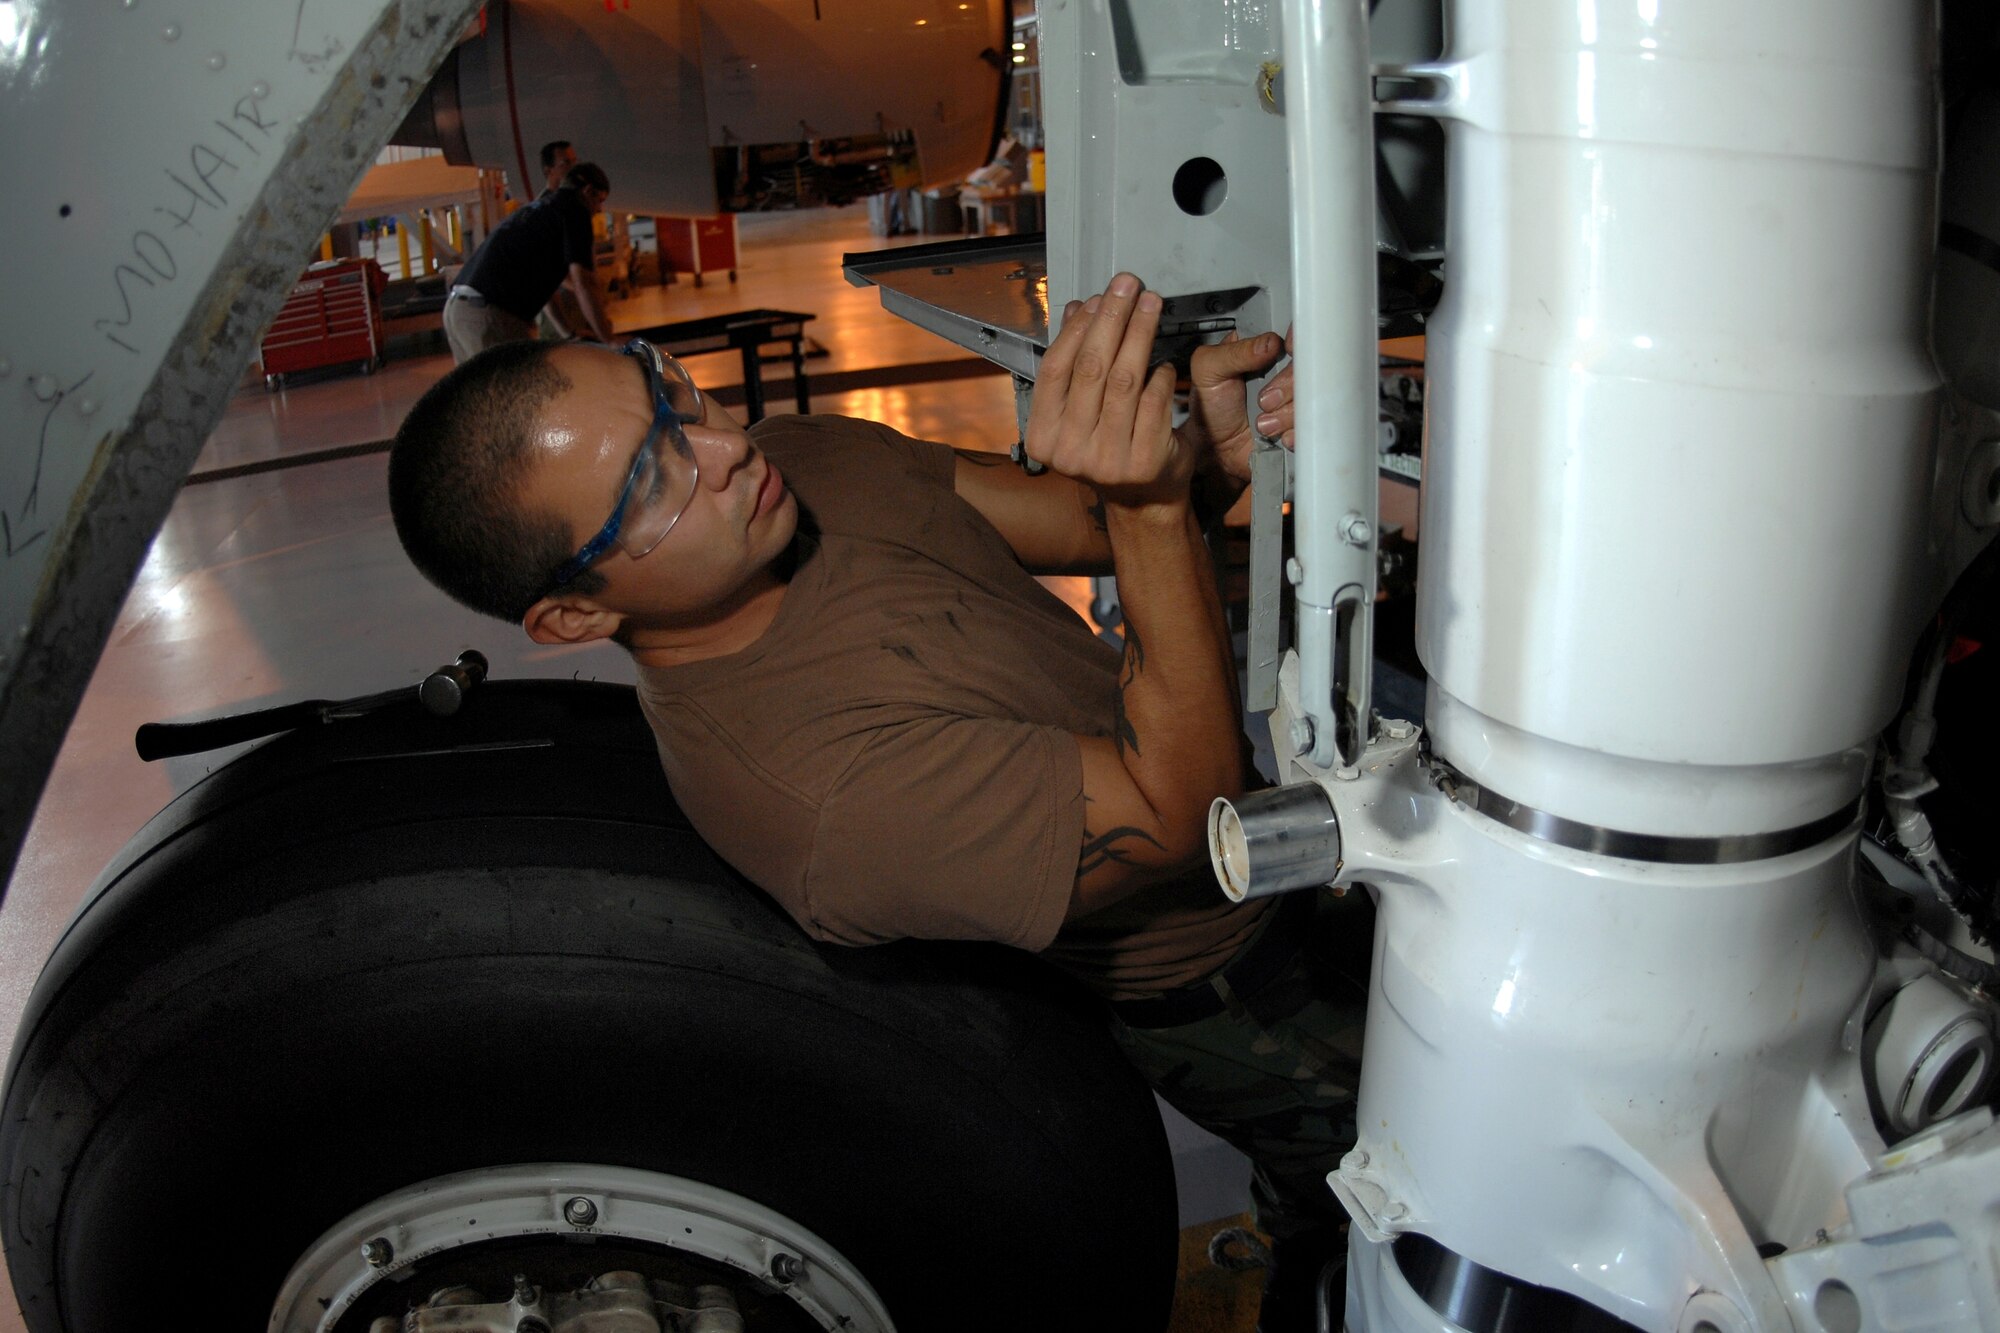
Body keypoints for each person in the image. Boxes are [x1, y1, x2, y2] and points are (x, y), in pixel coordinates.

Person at [389, 276, 1362, 1330]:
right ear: (575, 614)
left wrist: (1193, 458)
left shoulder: (800, 461)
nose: (722, 449)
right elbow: (1184, 817)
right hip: (1234, 985)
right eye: (651, 485)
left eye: (668, 392)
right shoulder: (817, 797)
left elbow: (1077, 523)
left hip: (1303, 856)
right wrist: (1151, 504)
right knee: (1370, 1204)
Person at [442, 161, 616, 364]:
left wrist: (568, 333)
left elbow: (545, 289)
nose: (600, 210)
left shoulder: (539, 210)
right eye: (600, 201)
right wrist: (609, 340)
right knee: (516, 392)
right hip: (492, 315)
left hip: (458, 311)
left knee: (478, 393)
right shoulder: (575, 211)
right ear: (588, 192)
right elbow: (583, 282)